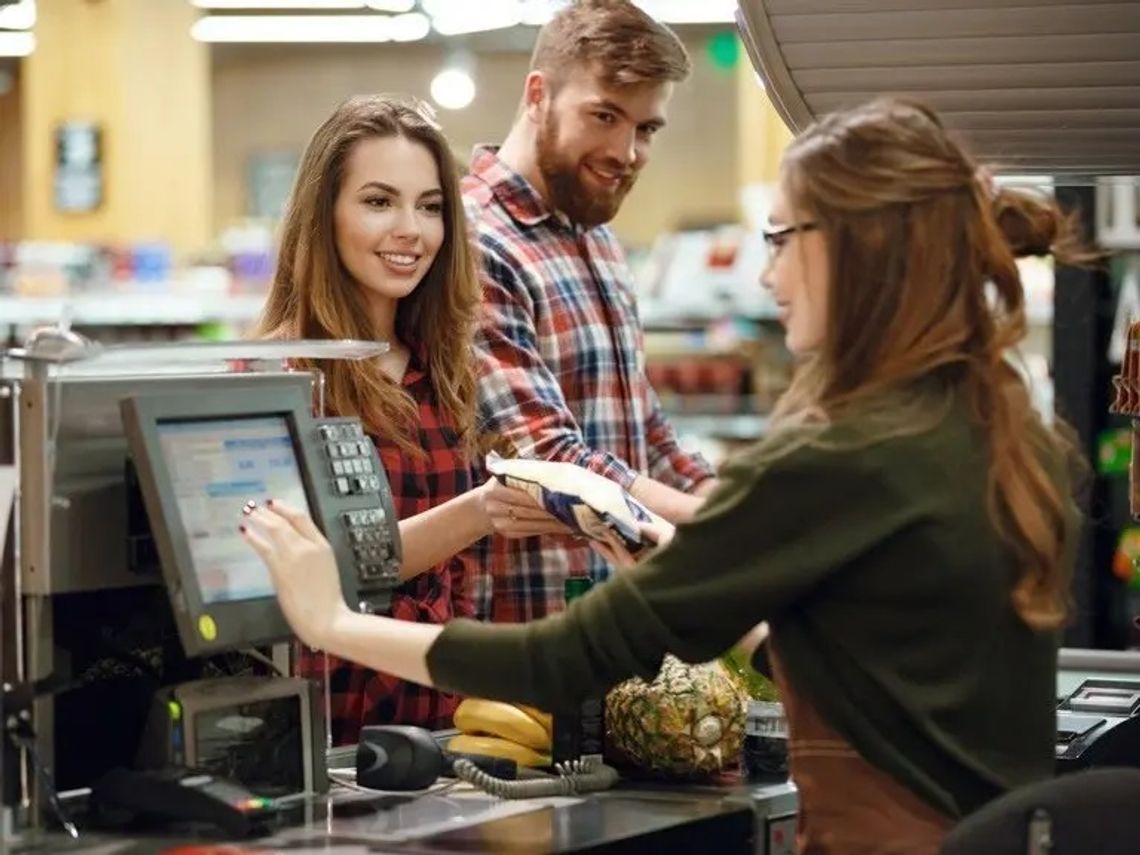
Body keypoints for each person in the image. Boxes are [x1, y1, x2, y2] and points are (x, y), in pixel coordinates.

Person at [241, 97, 1087, 852]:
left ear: (857, 250)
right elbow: (853, 660)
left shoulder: (843, 454)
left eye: (780, 239)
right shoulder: (1004, 427)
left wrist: (327, 617)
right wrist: (660, 548)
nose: (764, 275)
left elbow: (565, 657)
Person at [253, 94, 566, 744]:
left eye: (430, 206)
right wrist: (481, 509)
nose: (411, 230)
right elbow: (318, 564)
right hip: (328, 736)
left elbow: (479, 579)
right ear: (325, 214)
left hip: (449, 739)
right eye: (378, 201)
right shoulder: (281, 378)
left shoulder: (449, 371)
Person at [461, 0, 719, 622]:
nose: (625, 151)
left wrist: (722, 496)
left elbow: (645, 432)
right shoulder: (474, 241)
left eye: (646, 129)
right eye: (604, 116)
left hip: (620, 617)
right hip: (530, 631)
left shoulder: (597, 239)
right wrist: (708, 520)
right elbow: (547, 457)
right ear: (538, 95)